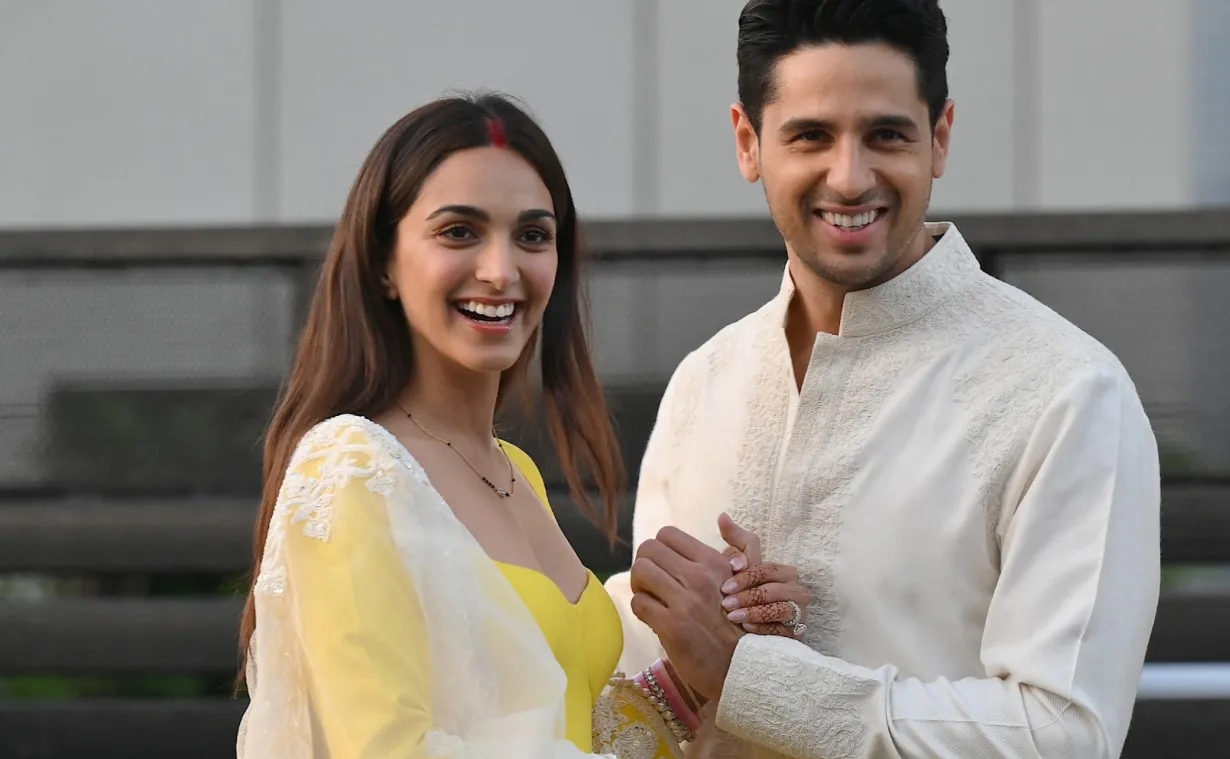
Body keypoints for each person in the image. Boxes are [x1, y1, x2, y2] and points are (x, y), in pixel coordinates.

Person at [603, 1, 1162, 758]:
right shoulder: (705, 384)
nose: (849, 175)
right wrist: (698, 654)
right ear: (748, 142)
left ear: (939, 138)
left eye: (885, 135)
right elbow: (644, 695)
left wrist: (750, 674)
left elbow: (1064, 732)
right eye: (809, 136)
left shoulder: (1064, 392)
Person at [235, 93, 807, 759]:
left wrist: (726, 656)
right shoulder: (350, 467)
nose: (500, 270)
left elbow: (571, 731)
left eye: (532, 235)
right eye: (459, 231)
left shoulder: (515, 471)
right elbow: (387, 748)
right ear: (384, 262)